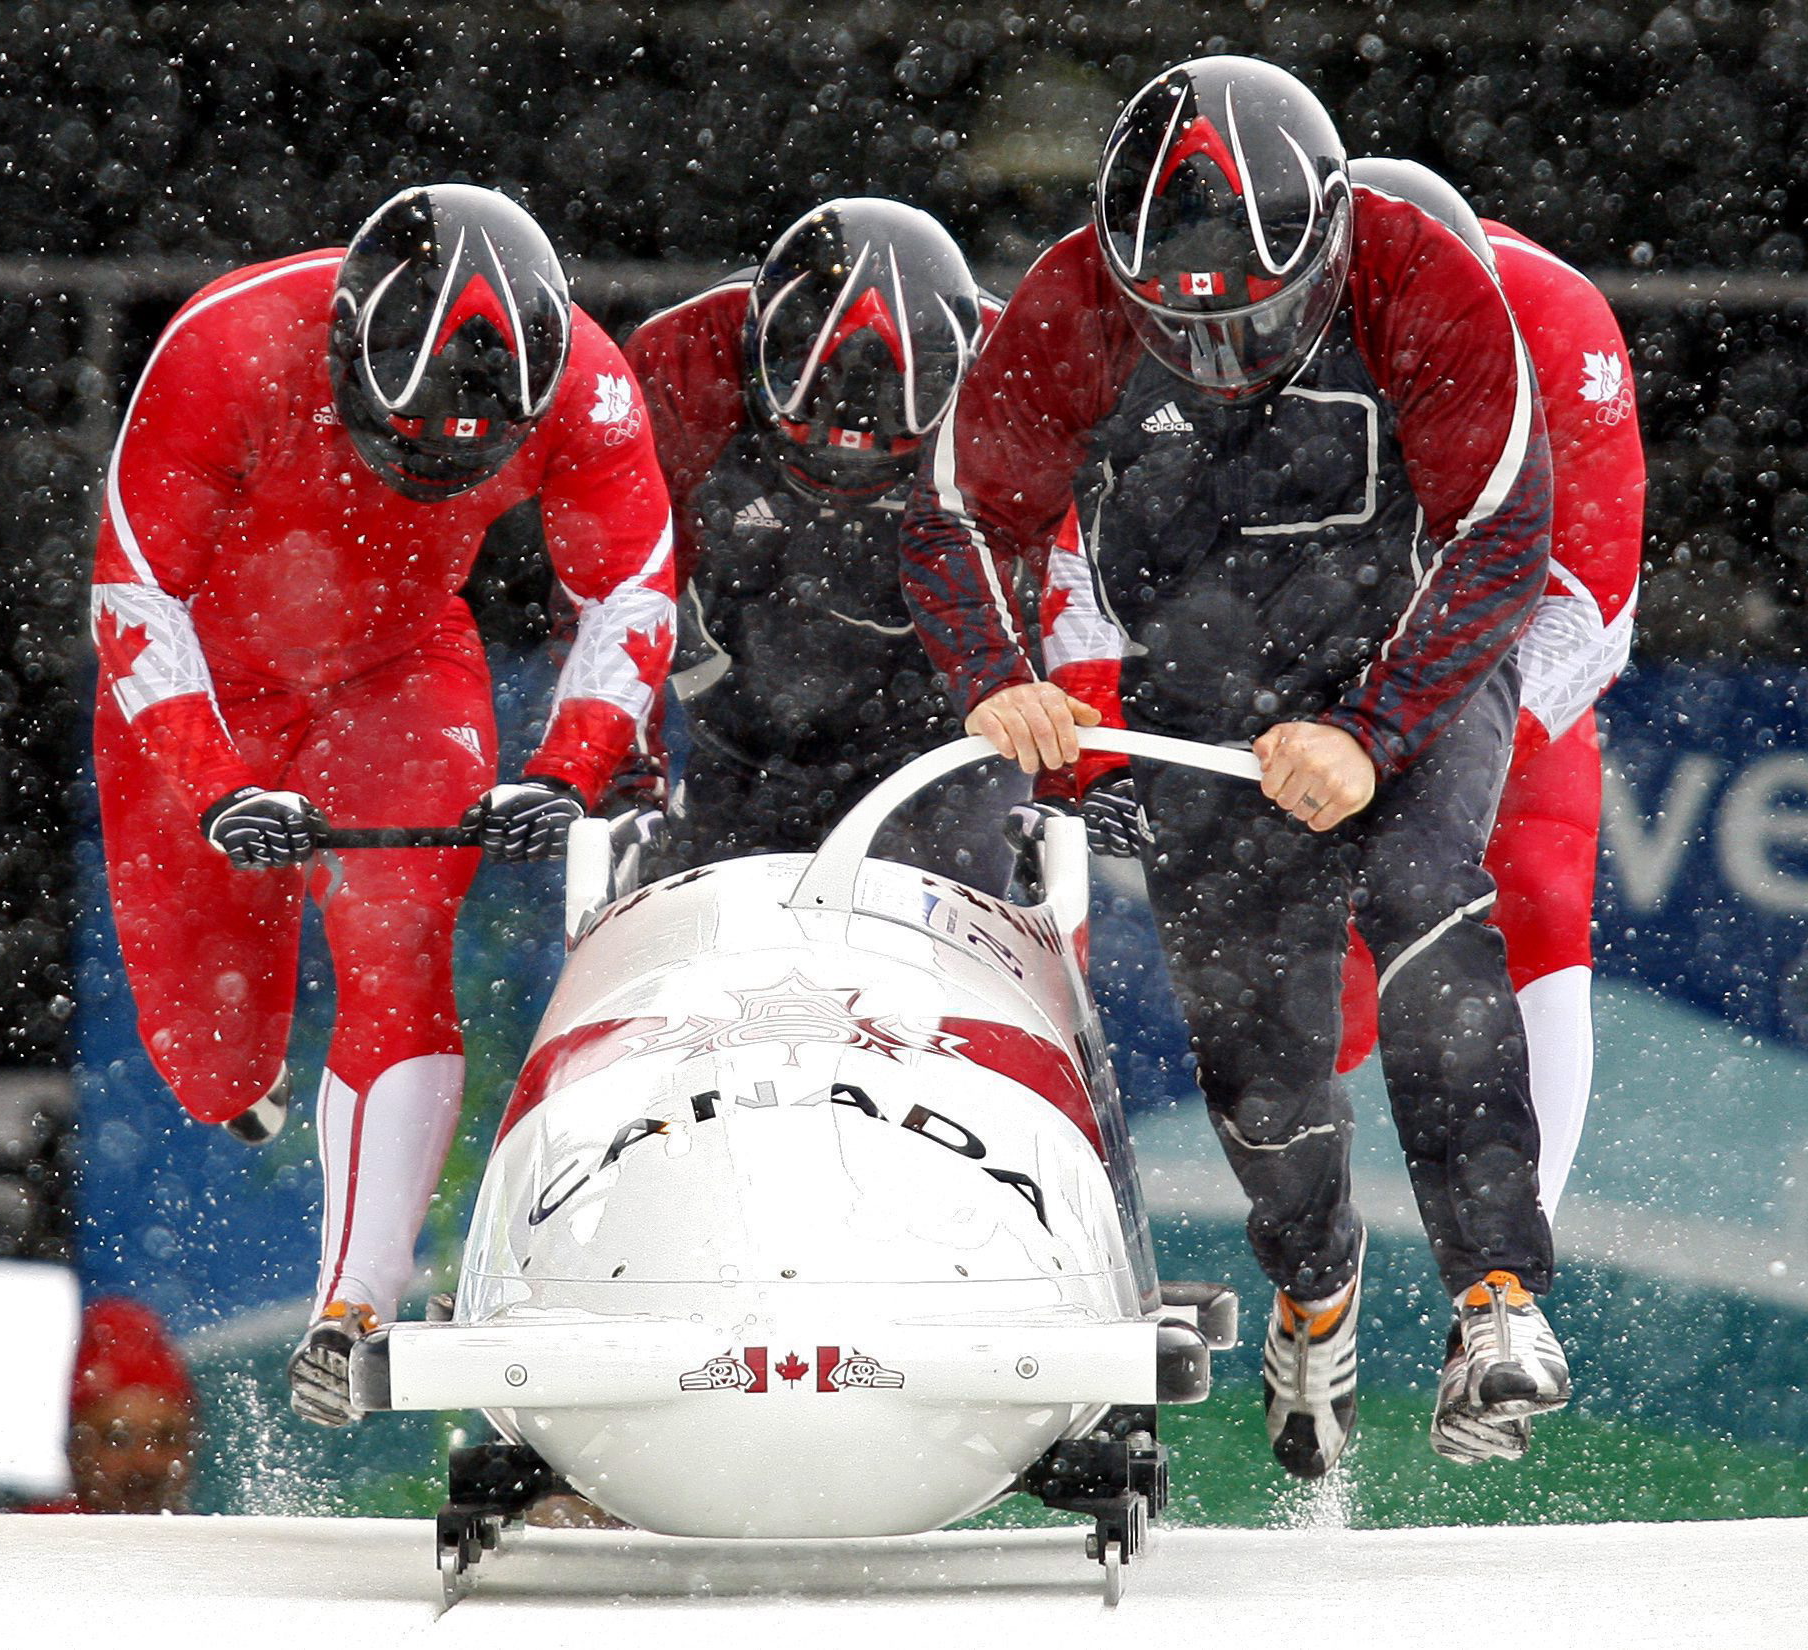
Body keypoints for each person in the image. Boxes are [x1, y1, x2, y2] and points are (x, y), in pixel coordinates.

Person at [900, 55, 1568, 1479]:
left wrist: (1373, 733)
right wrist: (1002, 680)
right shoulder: (1070, 300)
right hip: (1204, 686)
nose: (1221, 352)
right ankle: (1315, 1288)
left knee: (1427, 904)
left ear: (1327, 246)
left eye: (1257, 319)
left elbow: (1504, 530)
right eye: (1179, 325)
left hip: (1408, 657)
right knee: (1259, 1055)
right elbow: (962, 511)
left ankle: (1496, 1296)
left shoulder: (1423, 280)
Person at [90, 184, 675, 1427]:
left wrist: (570, 768)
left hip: (395, 669)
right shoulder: (227, 349)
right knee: (212, 1064)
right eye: (402, 437)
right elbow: (137, 598)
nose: (424, 472)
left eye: (464, 455)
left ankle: (356, 1309)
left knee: (402, 943)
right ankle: (236, 1081)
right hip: (210, 680)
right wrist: (215, 779)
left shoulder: (589, 387)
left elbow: (631, 593)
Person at [1334, 158, 1645, 1461]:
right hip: (1320, 630)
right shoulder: (1253, 322)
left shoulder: (1557, 323)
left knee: (1532, 900)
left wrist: (1425, 748)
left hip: (1502, 640)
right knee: (1291, 969)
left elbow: (1595, 603)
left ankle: (1496, 1313)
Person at [618, 197, 1113, 892]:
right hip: (747, 735)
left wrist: (1073, 779)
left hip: (958, 735)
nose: (844, 462)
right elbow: (624, 584)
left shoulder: (1014, 372)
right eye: (815, 434)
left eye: (887, 445)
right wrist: (626, 779)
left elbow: (1072, 581)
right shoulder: (685, 358)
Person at [28, 1298, 199, 1514]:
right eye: (118, 1440)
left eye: (167, 1438)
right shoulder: (38, 1538)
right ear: (75, 1448)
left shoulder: (210, 1538)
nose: (147, 1462)